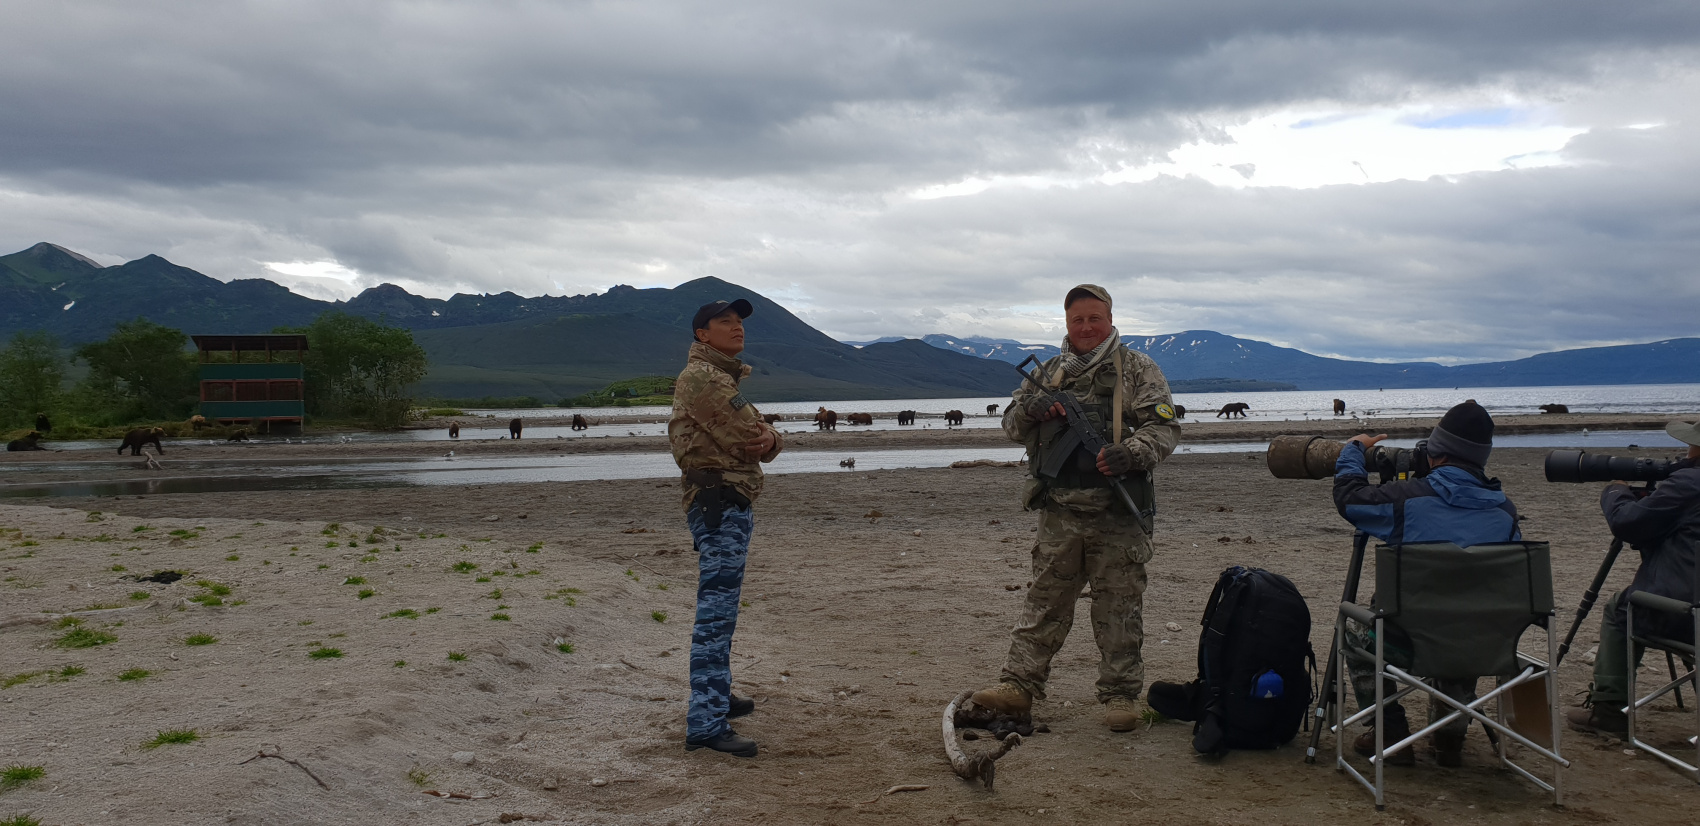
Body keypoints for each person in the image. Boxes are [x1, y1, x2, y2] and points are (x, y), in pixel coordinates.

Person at [970, 284, 1181, 732]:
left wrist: (1131, 453)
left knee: (1119, 607)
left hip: (1117, 512)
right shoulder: (1049, 372)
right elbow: (1011, 426)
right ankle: (1018, 686)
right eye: (1077, 320)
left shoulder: (1138, 369)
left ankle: (1120, 695)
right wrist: (1032, 410)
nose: (1086, 327)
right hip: (1060, 513)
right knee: (1044, 602)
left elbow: (1165, 429)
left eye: (1094, 319)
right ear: (1066, 324)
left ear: (1110, 320)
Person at [1335, 401, 1520, 767]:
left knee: (1356, 631)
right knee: (1468, 617)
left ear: (1437, 453)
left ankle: (1389, 732)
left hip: (1408, 643)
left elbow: (1350, 500)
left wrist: (1353, 449)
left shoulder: (1407, 500)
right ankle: (1450, 735)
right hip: (1483, 647)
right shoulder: (1504, 512)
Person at [669, 298, 784, 758]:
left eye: (739, 322)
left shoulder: (720, 377)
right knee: (716, 613)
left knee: (722, 608)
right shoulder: (704, 377)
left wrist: (771, 437)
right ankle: (705, 721)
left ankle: (717, 693)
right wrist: (770, 437)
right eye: (725, 322)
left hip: (726, 500)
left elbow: (763, 437)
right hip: (718, 501)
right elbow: (749, 436)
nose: (737, 328)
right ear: (703, 334)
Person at [1565, 420, 1700, 736]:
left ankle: (1609, 709)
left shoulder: (1689, 485)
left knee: (1621, 607)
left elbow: (1628, 523)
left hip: (1686, 615)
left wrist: (1616, 491)